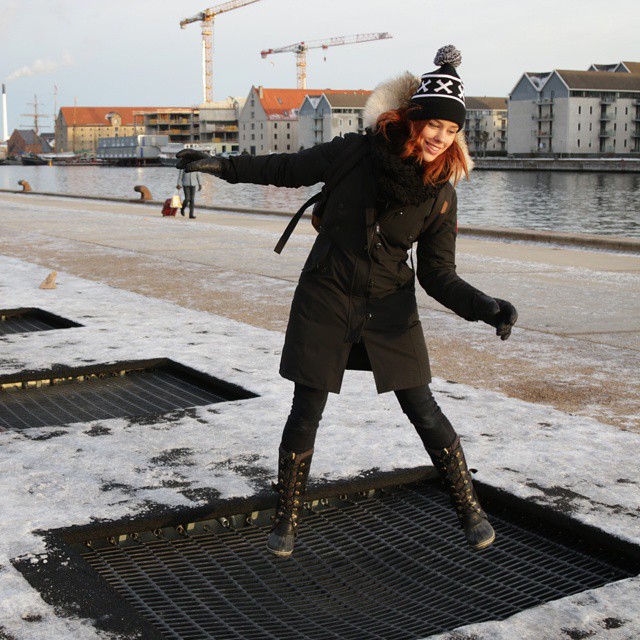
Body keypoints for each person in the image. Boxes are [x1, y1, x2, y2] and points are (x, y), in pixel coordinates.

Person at [176, 45, 518, 558]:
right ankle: (287, 519)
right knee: (307, 408)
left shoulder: (441, 193)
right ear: (412, 118)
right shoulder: (355, 152)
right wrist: (221, 165)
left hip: (390, 305)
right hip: (327, 294)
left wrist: (486, 306)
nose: (440, 138)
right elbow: (286, 167)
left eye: (451, 131)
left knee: (423, 409)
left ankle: (470, 510)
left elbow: (438, 274)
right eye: (434, 125)